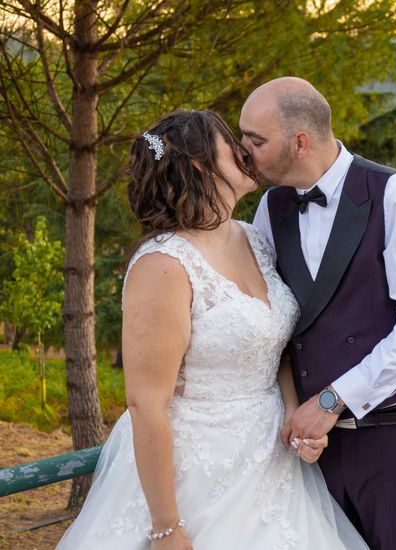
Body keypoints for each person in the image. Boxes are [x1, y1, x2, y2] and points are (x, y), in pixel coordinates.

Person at [57, 110, 367, 550]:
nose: (244, 150)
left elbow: (272, 346)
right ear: (202, 166)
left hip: (273, 465)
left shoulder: (252, 238)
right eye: (230, 142)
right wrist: (166, 527)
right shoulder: (162, 265)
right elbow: (145, 403)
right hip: (195, 473)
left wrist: (297, 417)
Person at [245, 77, 396, 549]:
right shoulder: (270, 208)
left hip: (393, 441)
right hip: (309, 451)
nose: (243, 151)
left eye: (255, 140)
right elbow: (268, 320)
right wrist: (300, 413)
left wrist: (333, 400)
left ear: (299, 142)